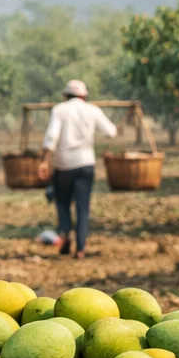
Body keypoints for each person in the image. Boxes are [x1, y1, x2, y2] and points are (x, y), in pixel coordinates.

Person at [37, 80, 117, 258]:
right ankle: (81, 248)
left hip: (63, 165)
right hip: (86, 163)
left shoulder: (59, 110)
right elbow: (111, 131)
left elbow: (51, 136)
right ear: (84, 96)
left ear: (65, 96)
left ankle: (65, 233)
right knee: (83, 207)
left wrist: (44, 160)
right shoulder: (93, 110)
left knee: (62, 203)